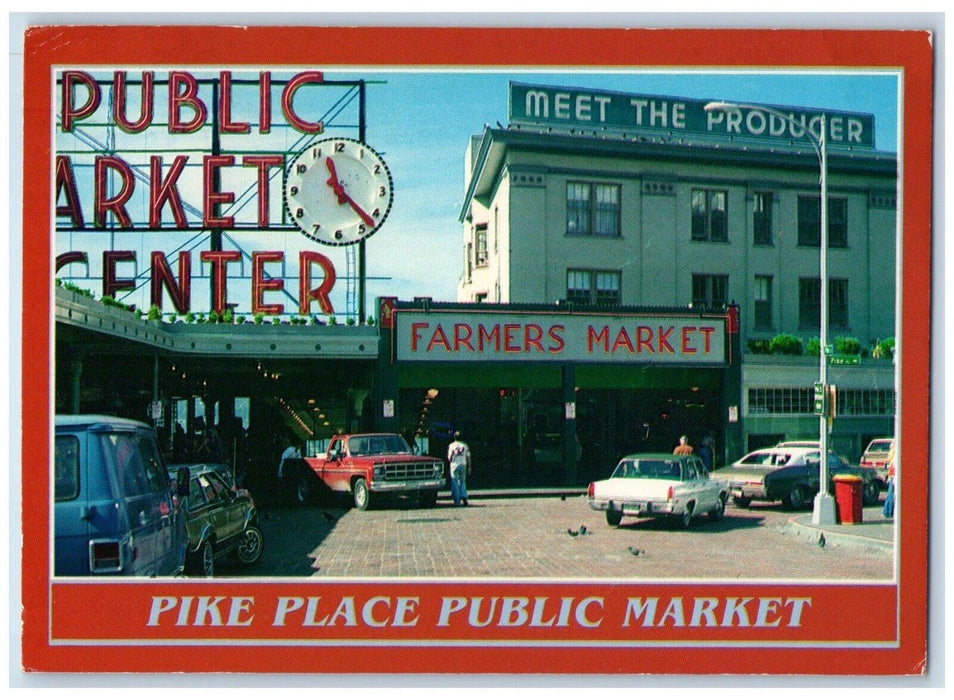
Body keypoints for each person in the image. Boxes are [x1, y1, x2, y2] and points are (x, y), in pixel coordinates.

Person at [447, 431, 471, 507]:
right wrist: (469, 467)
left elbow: (449, 458)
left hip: (454, 465)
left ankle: (456, 500)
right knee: (462, 481)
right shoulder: (465, 445)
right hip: (463, 464)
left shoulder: (451, 445)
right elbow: (469, 457)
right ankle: (464, 496)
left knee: (454, 482)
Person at [882, 443, 896, 518]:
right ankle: (887, 511)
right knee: (891, 494)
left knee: (890, 494)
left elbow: (889, 463)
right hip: (893, 476)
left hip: (892, 475)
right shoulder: (894, 454)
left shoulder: (893, 454)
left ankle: (887, 511)